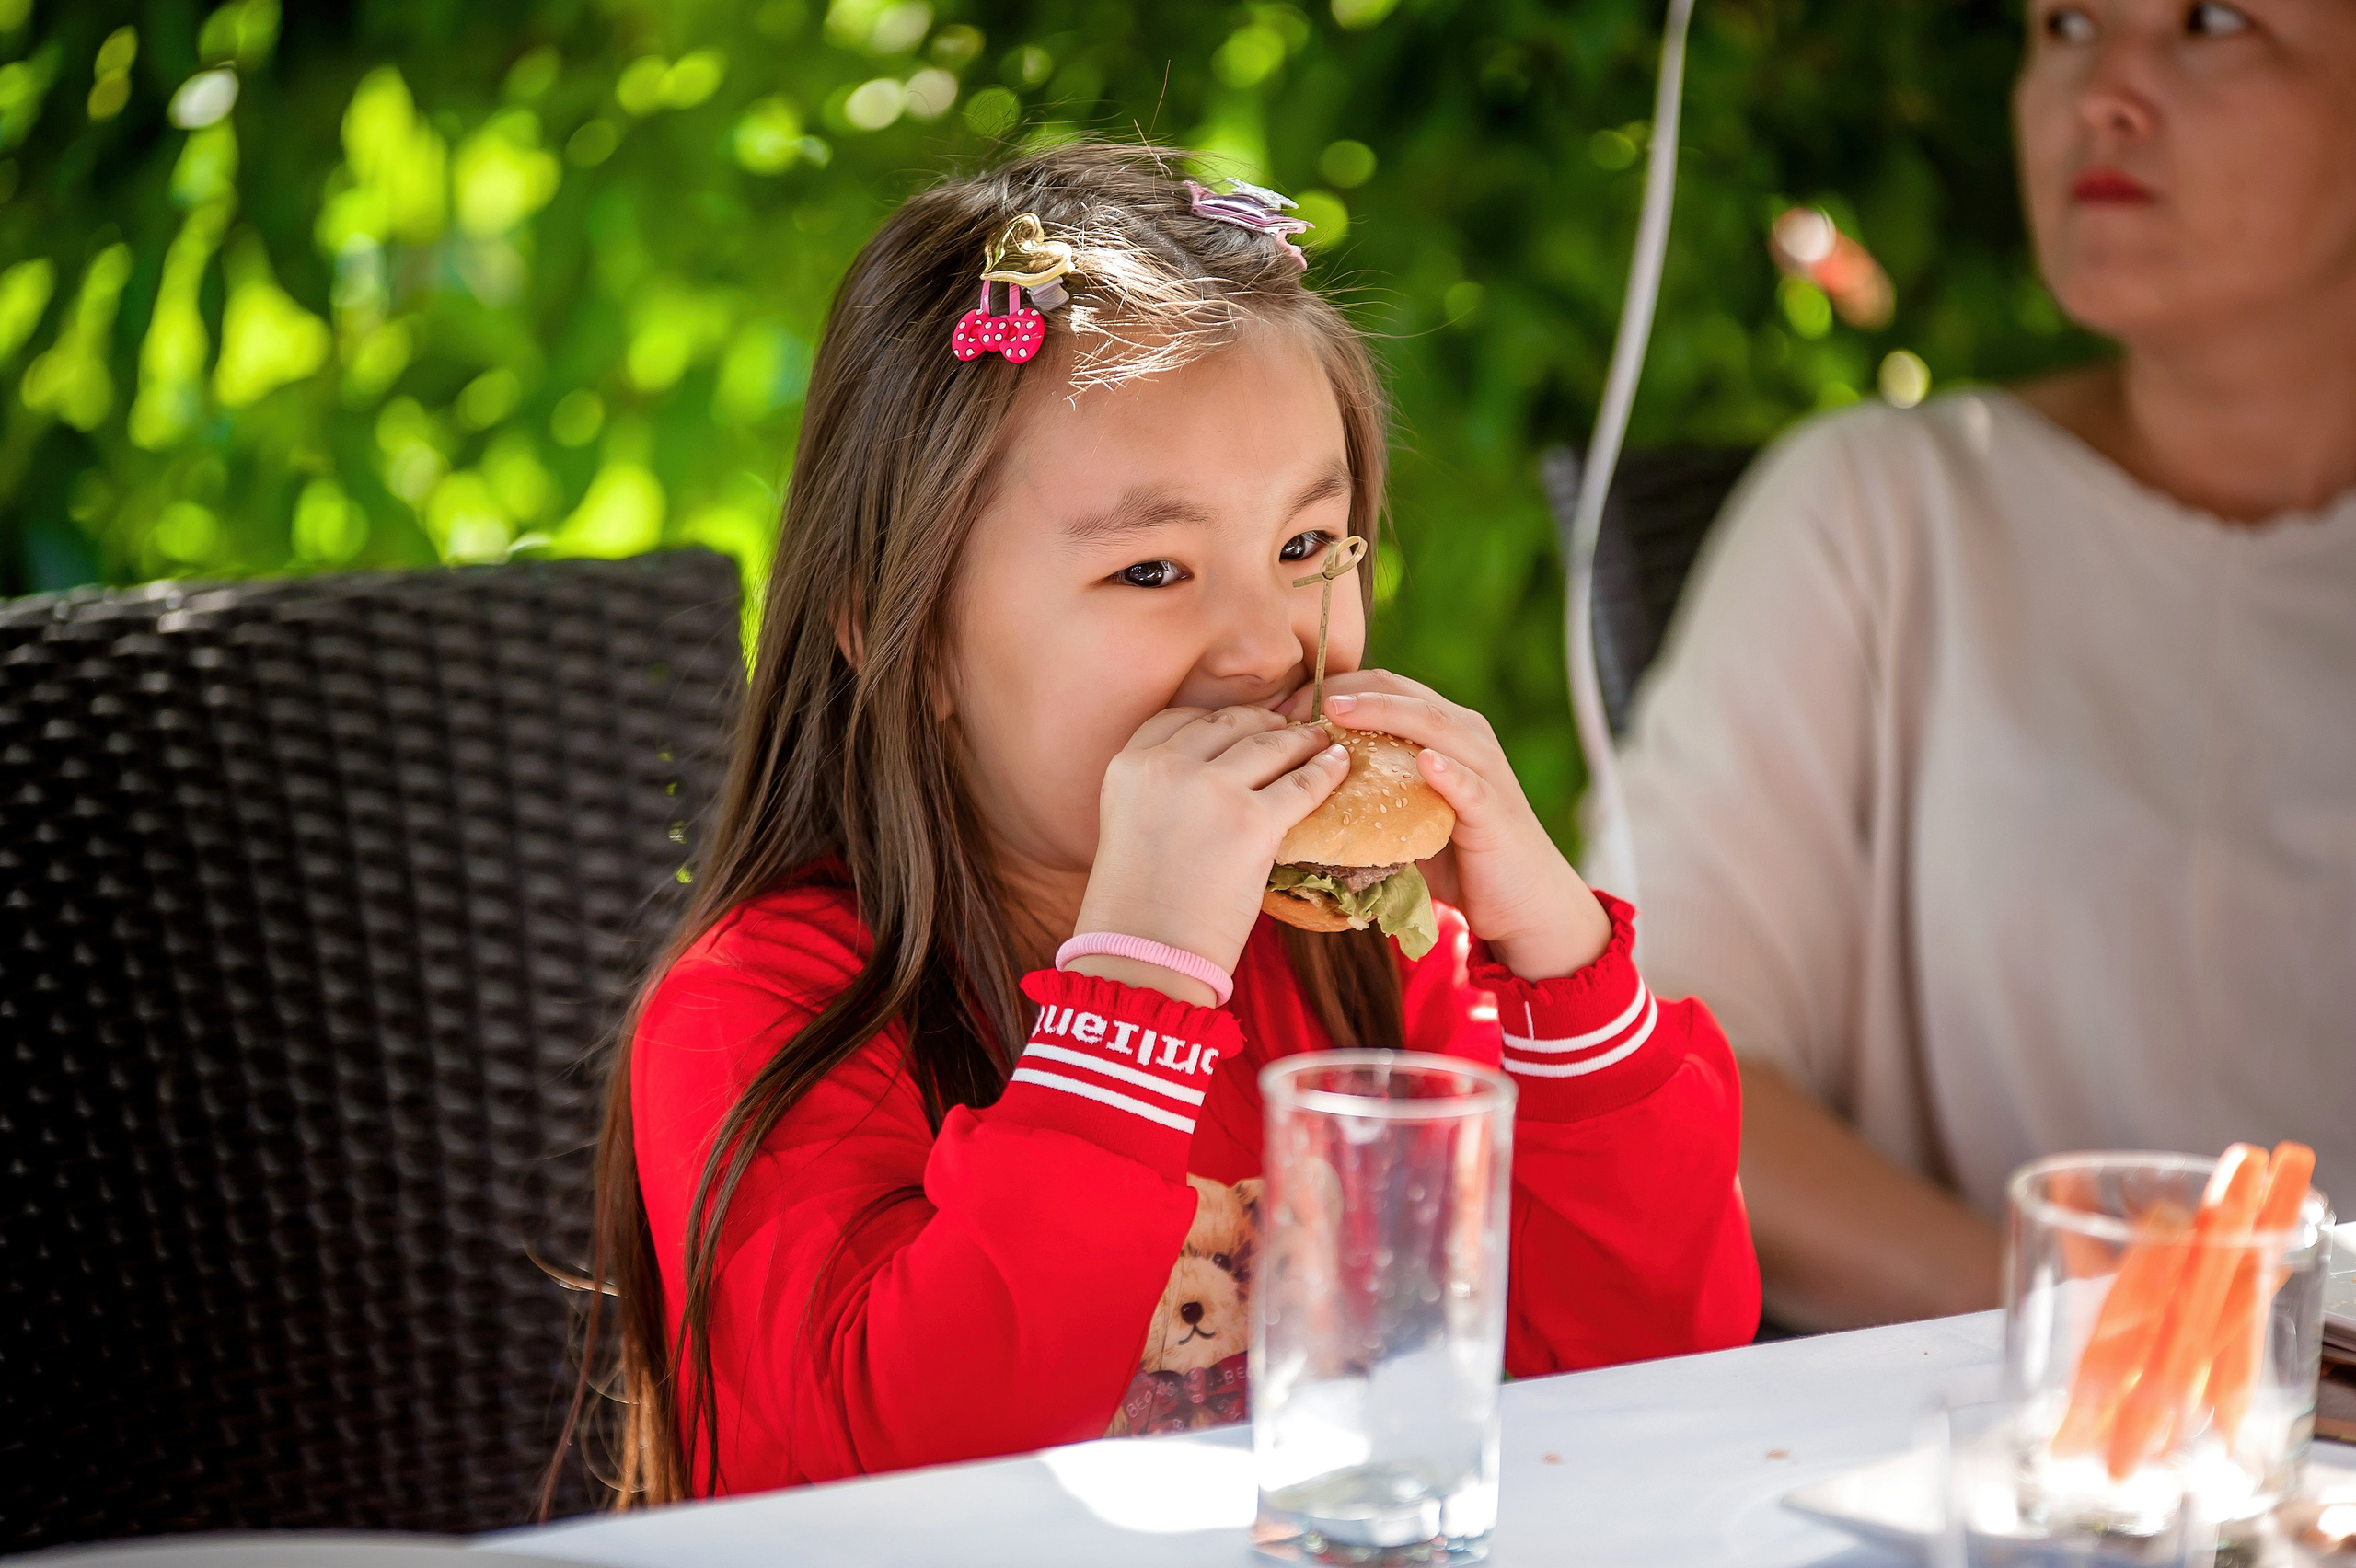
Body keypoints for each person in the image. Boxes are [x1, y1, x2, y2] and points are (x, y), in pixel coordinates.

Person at [570, 144, 1760, 1501]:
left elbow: (1650, 1365)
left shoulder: (1367, 964)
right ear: (901, 638)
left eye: (1309, 548)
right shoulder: (764, 1016)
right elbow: (889, 1487)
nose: (1263, 647)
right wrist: (1134, 998)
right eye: (1150, 568)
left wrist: (1559, 964)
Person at [1618, 0, 2356, 1332]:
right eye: (2066, 22)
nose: (2106, 92)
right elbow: (1638, 1064)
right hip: (1981, 1459)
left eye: (2213, 22)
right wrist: (2103, 1336)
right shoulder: (1882, 511)